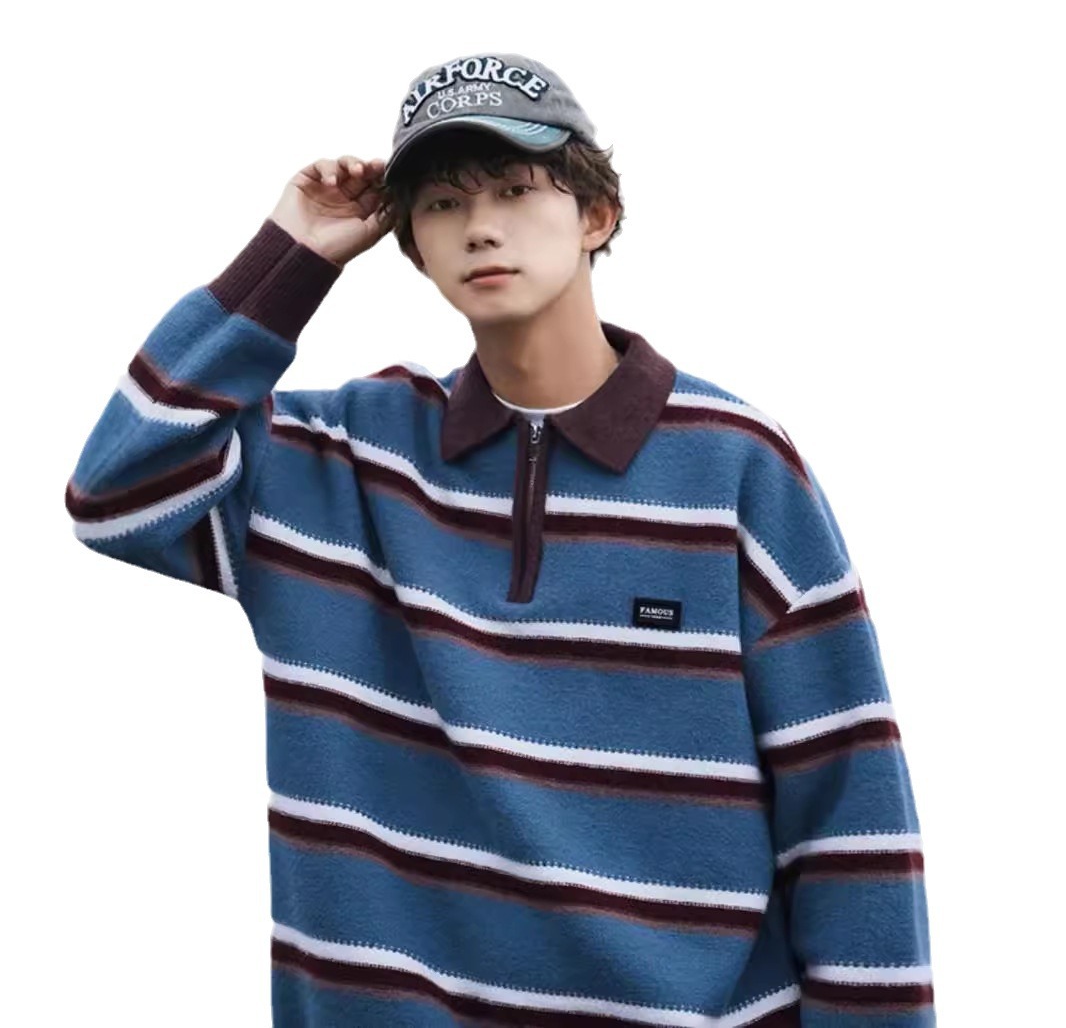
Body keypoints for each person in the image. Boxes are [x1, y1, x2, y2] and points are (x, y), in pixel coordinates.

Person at [64, 51, 936, 1026]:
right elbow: (115, 493)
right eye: (441, 203)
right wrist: (292, 255)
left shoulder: (736, 469)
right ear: (411, 244)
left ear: (596, 215)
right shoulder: (339, 462)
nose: (480, 226)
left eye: (517, 190)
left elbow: (849, 815)